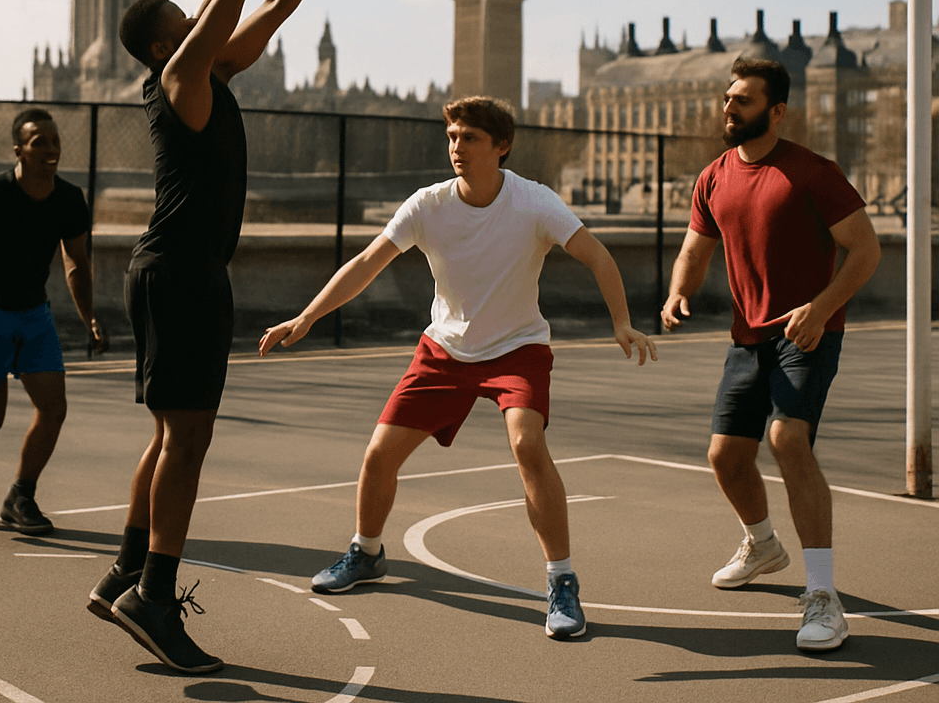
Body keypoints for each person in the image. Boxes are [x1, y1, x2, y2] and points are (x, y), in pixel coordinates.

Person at [86, 0, 362, 675]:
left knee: (171, 435)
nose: (197, 8)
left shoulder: (205, 76)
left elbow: (271, 0)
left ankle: (123, 574)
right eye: (184, 15)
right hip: (180, 274)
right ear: (167, 41)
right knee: (190, 438)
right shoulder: (177, 79)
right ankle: (155, 597)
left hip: (177, 272)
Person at [260, 95, 656, 640]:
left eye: (469, 138)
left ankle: (562, 582)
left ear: (501, 146)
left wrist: (621, 322)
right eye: (451, 137)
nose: (456, 148)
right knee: (379, 454)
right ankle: (366, 553)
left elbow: (598, 255)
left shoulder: (534, 202)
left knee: (527, 444)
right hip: (444, 350)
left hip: (517, 347)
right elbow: (367, 264)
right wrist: (307, 317)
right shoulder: (428, 205)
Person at [661, 57, 880, 652]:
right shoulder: (713, 177)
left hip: (808, 333)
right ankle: (762, 544)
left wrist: (820, 307)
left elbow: (865, 250)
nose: (729, 108)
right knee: (726, 457)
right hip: (747, 337)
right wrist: (680, 291)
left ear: (776, 111)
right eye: (728, 98)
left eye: (744, 100)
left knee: (788, 440)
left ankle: (824, 597)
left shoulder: (814, 173)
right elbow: (694, 249)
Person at [0, 107, 107, 535]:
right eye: (38, 142)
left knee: (53, 408)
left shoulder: (68, 199)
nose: (50, 149)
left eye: (54, 141)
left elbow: (76, 262)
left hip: (34, 315)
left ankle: (20, 495)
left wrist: (89, 317)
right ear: (19, 151)